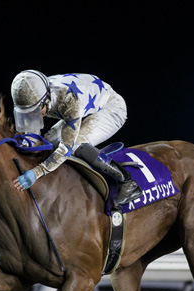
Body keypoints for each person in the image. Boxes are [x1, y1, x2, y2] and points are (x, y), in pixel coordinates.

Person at [11, 70, 141, 208]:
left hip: (111, 107)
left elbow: (66, 148)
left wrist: (37, 172)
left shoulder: (68, 99)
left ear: (47, 97)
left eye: (35, 111)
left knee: (75, 145)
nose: (32, 115)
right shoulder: (34, 92)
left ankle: (126, 181)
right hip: (85, 105)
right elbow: (32, 135)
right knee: (49, 140)